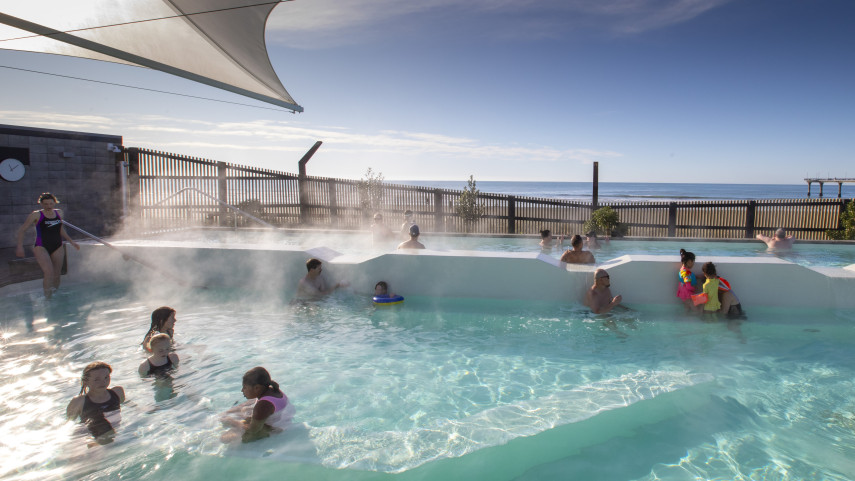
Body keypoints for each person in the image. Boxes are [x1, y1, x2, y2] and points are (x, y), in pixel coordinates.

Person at [14, 192, 81, 298]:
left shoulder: (59, 212)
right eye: (46, 204)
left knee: (57, 274)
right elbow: (22, 230)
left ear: (54, 202)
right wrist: (19, 246)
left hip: (57, 245)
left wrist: (71, 241)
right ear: (41, 204)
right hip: (41, 246)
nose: (48, 206)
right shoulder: (36, 214)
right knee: (48, 273)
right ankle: (47, 299)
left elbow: (60, 229)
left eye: (51, 204)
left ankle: (54, 295)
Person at [220, 367, 292, 443]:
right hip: (282, 421)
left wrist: (232, 422)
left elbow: (253, 430)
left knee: (225, 439)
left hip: (276, 430)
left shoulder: (263, 405)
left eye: (245, 387)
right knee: (245, 411)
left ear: (257, 388)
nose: (242, 390)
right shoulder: (271, 389)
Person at [66, 361, 125, 443]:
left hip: (114, 431)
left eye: (106, 377)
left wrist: (140, 409)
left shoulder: (117, 392)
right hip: (89, 435)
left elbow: (125, 403)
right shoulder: (79, 401)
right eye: (97, 380)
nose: (103, 382)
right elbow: (69, 422)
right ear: (86, 382)